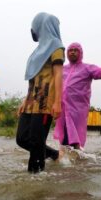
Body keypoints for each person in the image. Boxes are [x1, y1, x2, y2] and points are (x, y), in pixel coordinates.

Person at [16, 12, 64, 173]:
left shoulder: (56, 46)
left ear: (42, 26)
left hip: (45, 103)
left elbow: (58, 74)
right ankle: (53, 154)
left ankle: (36, 182)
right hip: (32, 102)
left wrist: (57, 102)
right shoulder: (36, 53)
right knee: (22, 139)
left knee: (37, 141)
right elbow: (32, 79)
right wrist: (26, 100)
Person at [53, 42, 101, 150]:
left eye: (75, 50)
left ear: (80, 53)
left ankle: (76, 162)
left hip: (77, 111)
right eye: (70, 50)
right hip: (63, 110)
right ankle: (67, 163)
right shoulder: (62, 69)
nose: (72, 52)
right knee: (63, 140)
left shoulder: (87, 68)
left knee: (75, 139)